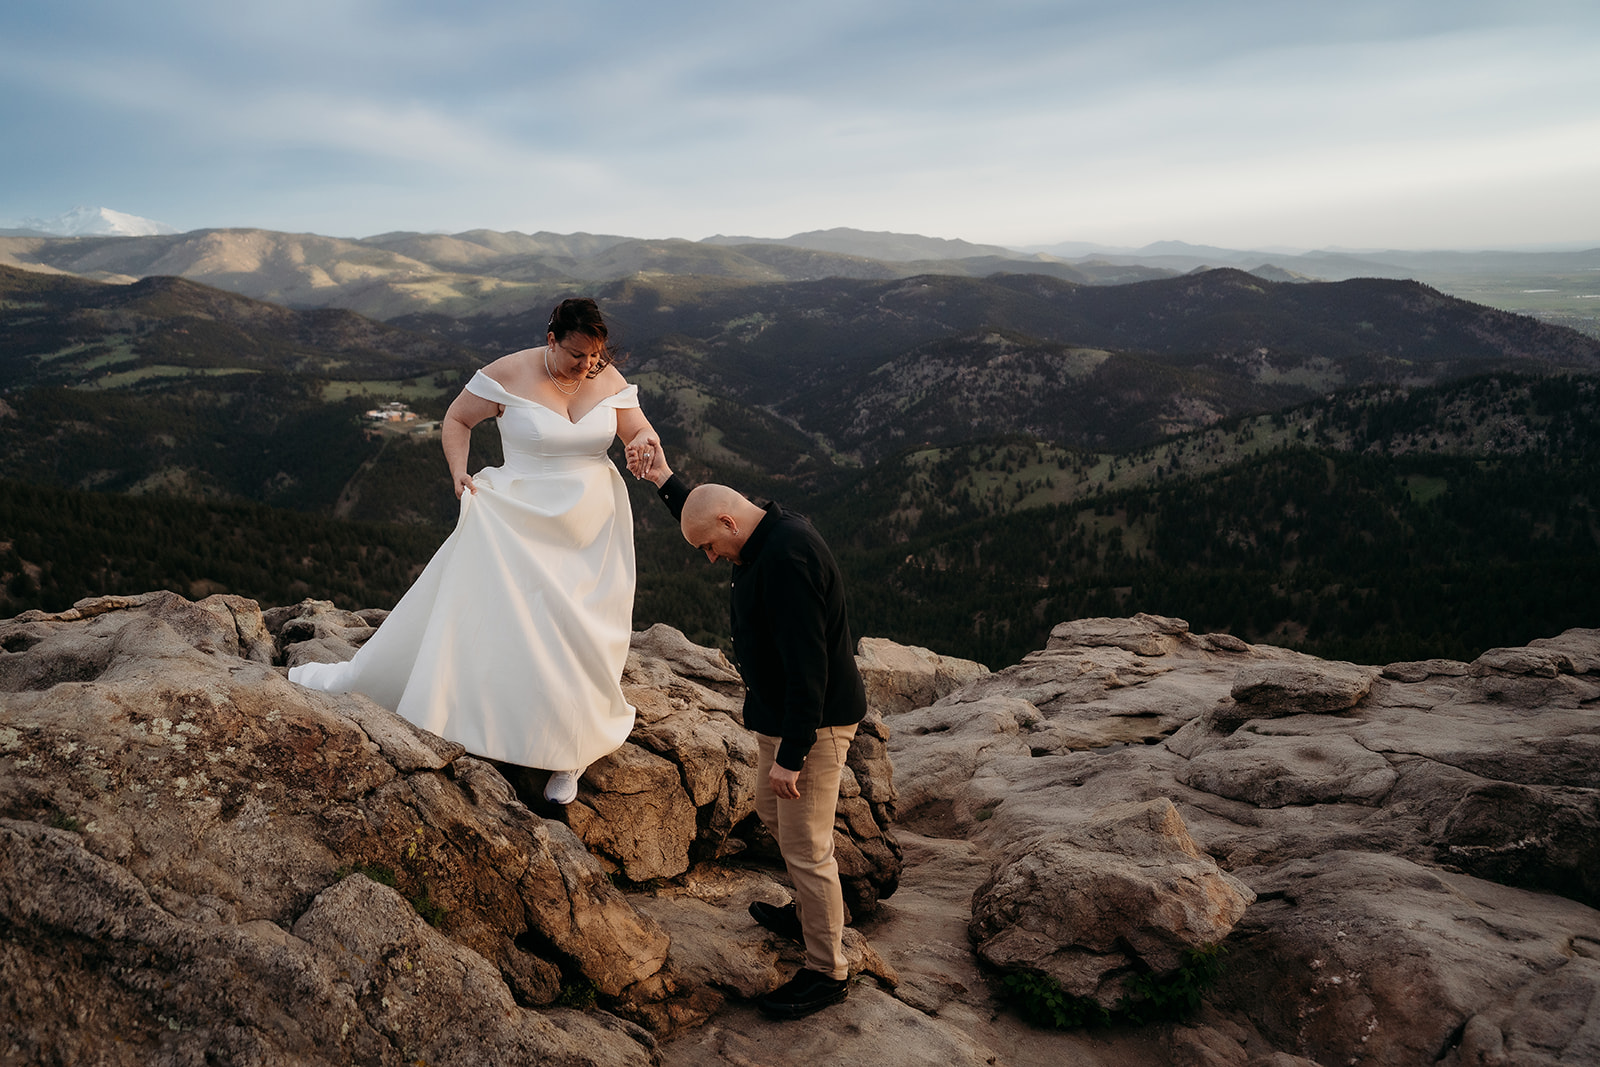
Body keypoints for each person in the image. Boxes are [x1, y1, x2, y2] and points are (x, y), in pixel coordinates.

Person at [290, 298, 660, 805]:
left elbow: (636, 427)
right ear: (552, 339)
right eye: (577, 355)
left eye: (595, 357)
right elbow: (457, 419)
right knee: (525, 628)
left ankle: (570, 749)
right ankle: (509, 726)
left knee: (585, 632)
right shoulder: (506, 373)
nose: (588, 366)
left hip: (594, 527)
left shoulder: (606, 375)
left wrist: (643, 442)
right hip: (520, 523)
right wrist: (458, 474)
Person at [631, 444, 867, 1020]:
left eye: (710, 547)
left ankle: (826, 970)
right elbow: (701, 510)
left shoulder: (787, 560)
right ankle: (812, 913)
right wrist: (664, 478)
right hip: (775, 712)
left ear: (731, 524)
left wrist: (793, 755)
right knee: (772, 813)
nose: (710, 559)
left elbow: (809, 669)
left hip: (811, 721)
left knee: (807, 848)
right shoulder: (756, 528)